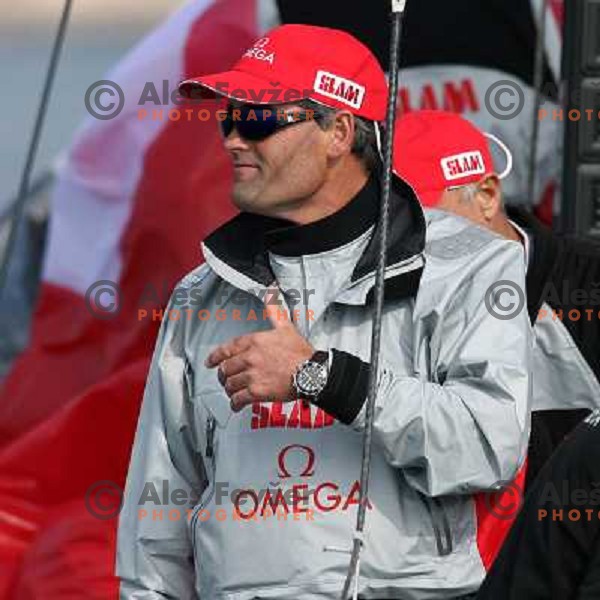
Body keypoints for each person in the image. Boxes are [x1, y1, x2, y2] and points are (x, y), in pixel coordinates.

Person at [116, 25, 531, 599]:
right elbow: (154, 529)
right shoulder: (199, 294)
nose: (234, 139)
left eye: (258, 118)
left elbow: (489, 449)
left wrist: (324, 377)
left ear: (339, 130)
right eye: (227, 119)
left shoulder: (469, 264)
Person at [393, 110, 600, 488]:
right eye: (389, 223)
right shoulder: (384, 301)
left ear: (487, 196)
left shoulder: (587, 285)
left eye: (423, 219)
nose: (405, 241)